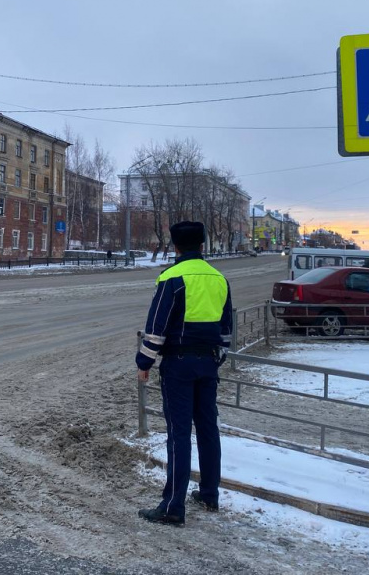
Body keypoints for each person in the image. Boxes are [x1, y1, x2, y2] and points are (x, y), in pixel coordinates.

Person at [136, 221, 233, 527]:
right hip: (208, 363)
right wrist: (214, 360)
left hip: (178, 364)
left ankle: (173, 505)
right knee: (207, 428)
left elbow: (157, 328)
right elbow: (227, 331)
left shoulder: (171, 277)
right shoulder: (219, 278)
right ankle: (208, 493)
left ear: (176, 246)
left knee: (179, 433)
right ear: (202, 245)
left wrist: (144, 363)